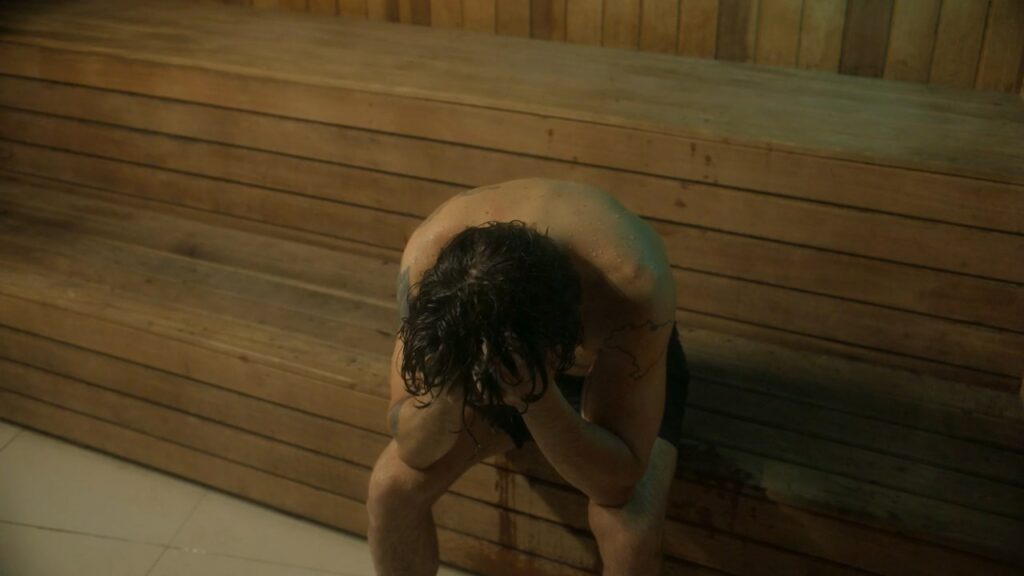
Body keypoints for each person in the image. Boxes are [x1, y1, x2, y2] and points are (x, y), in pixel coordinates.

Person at [367, 177, 690, 575]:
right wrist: (452, 385)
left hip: (611, 366)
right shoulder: (427, 265)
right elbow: (414, 448)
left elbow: (615, 485)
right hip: (497, 334)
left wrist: (536, 397)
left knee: (629, 530)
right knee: (390, 487)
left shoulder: (631, 283)